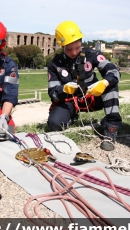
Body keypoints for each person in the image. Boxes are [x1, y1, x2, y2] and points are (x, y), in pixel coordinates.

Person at [47, 21, 122, 151]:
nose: (74, 52)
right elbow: (52, 93)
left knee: (111, 83)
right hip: (71, 101)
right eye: (69, 49)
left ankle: (111, 126)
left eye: (77, 47)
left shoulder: (92, 55)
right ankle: (71, 117)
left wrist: (104, 83)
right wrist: (63, 89)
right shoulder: (55, 64)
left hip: (92, 97)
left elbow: (114, 72)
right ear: (62, 46)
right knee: (54, 124)